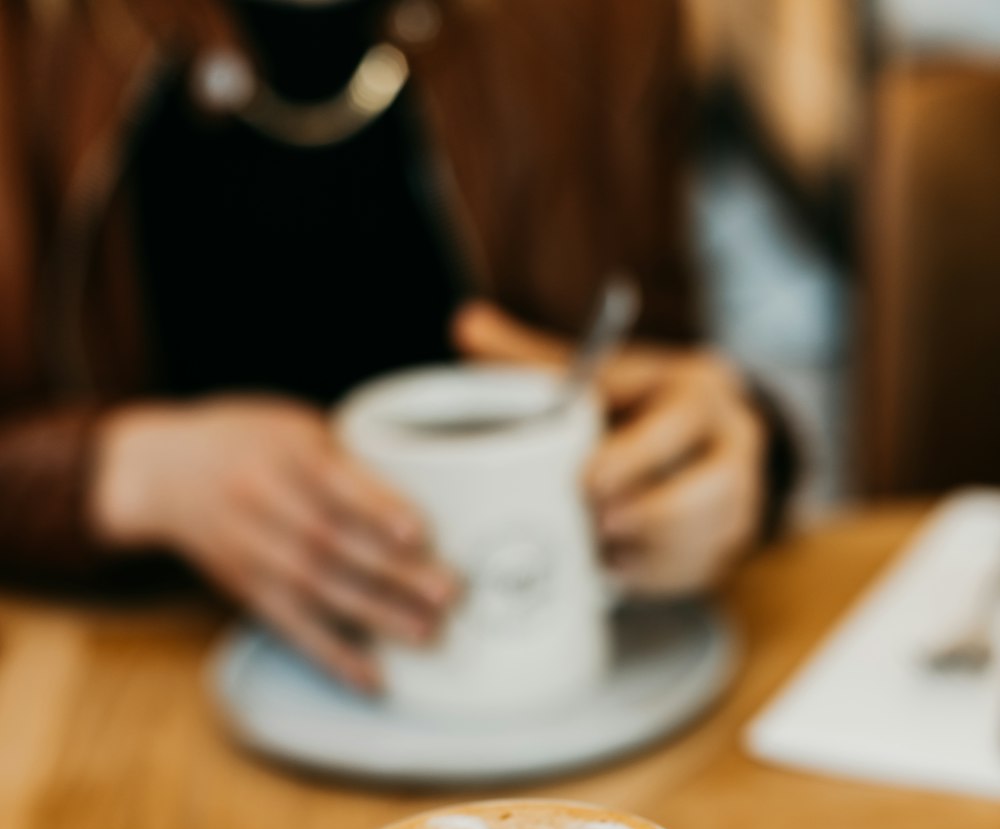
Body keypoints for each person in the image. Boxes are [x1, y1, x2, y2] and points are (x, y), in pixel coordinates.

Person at [0, 0, 793, 689]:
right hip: (123, 696)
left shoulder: (605, 15)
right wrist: (125, 472)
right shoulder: (34, 37)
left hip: (544, 709)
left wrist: (724, 455)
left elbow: (667, 361)